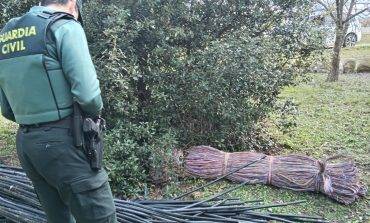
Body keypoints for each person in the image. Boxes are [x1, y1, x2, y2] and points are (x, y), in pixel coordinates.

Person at [0, 0, 117, 222]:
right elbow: (90, 97)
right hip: (65, 144)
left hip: (27, 145)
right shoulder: (64, 27)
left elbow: (6, 108)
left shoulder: (7, 33)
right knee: (102, 217)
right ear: (73, 2)